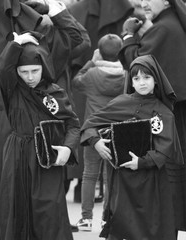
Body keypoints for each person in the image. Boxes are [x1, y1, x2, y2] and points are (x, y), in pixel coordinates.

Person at [0, 0, 83, 239]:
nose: (29, 75)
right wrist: (59, 11)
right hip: (18, 119)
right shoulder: (40, 34)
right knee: (27, 197)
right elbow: (77, 39)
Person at [80, 54, 184, 240]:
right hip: (123, 182)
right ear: (131, 81)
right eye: (136, 78)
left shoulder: (163, 111)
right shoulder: (120, 103)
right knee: (122, 226)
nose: (142, 82)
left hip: (152, 182)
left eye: (147, 77)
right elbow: (90, 123)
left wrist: (142, 162)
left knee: (151, 228)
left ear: (156, 80)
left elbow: (165, 147)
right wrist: (95, 142)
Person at [0, 32, 80, 240]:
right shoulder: (13, 89)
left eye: (35, 70)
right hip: (17, 154)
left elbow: (72, 124)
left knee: (48, 209)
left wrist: (68, 148)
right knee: (16, 206)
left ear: (44, 67)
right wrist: (16, 43)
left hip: (46, 157)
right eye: (23, 72)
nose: (30, 77)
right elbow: (2, 68)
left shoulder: (55, 93)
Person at [119, 0, 186, 232]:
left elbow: (136, 64)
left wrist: (128, 36)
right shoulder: (172, 24)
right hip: (178, 110)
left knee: (168, 168)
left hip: (168, 113)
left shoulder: (163, 28)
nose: (144, 3)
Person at [72, 33, 125, 231]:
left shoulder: (92, 75)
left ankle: (86, 219)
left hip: (92, 131)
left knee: (89, 175)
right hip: (116, 131)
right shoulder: (126, 75)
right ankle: (107, 219)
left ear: (99, 52)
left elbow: (76, 81)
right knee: (111, 177)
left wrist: (91, 62)